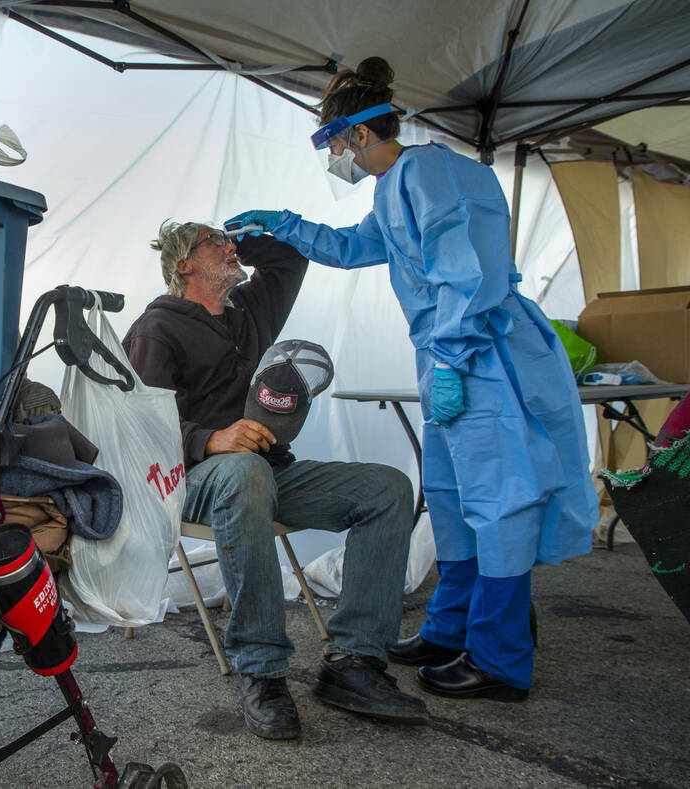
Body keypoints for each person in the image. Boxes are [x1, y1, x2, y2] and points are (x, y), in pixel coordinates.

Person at [227, 57, 597, 702]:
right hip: (447, 358)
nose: (333, 156)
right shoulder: (393, 188)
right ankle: (449, 629)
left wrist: (452, 356)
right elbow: (351, 248)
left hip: (482, 357)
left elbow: (466, 271)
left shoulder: (429, 172)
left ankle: (501, 659)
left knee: (499, 502)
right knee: (451, 496)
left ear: (360, 135)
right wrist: (286, 226)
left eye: (332, 143)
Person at [122, 220, 426, 740]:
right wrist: (208, 439)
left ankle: (353, 662)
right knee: (244, 472)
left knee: (388, 488)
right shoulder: (156, 329)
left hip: (265, 473)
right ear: (184, 264)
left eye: (229, 238)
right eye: (215, 241)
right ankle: (259, 671)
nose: (228, 247)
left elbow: (289, 258)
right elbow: (136, 423)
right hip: (192, 481)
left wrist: (244, 229)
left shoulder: (250, 308)